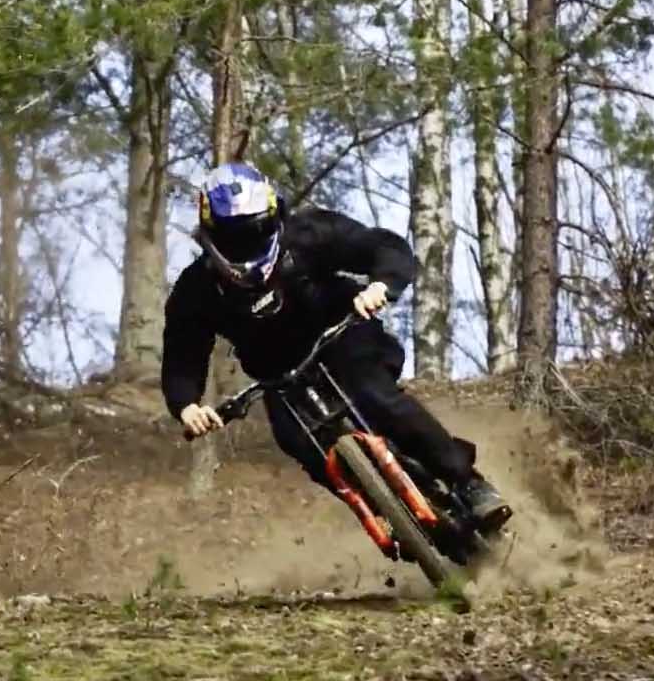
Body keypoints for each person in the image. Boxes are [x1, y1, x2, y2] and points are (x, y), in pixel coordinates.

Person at [160, 161, 511, 533]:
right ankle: (396, 519)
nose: (247, 243)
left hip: (344, 332)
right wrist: (187, 405)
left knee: (373, 394)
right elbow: (182, 353)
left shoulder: (309, 233)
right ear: (210, 234)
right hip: (278, 376)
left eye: (257, 230)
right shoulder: (196, 289)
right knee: (300, 443)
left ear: (275, 216)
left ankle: (467, 482)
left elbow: (381, 246)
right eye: (234, 237)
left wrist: (381, 285)